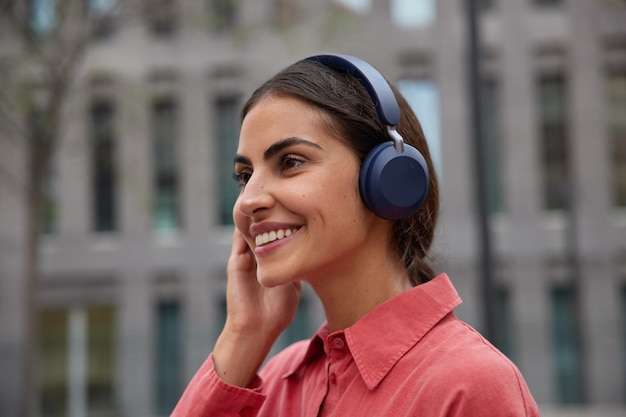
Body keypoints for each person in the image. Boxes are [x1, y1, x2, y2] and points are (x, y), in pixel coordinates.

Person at [171, 54, 540, 417]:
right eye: (244, 175)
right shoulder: (278, 385)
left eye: (290, 162)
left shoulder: (468, 385)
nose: (248, 200)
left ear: (387, 180)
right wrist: (242, 335)